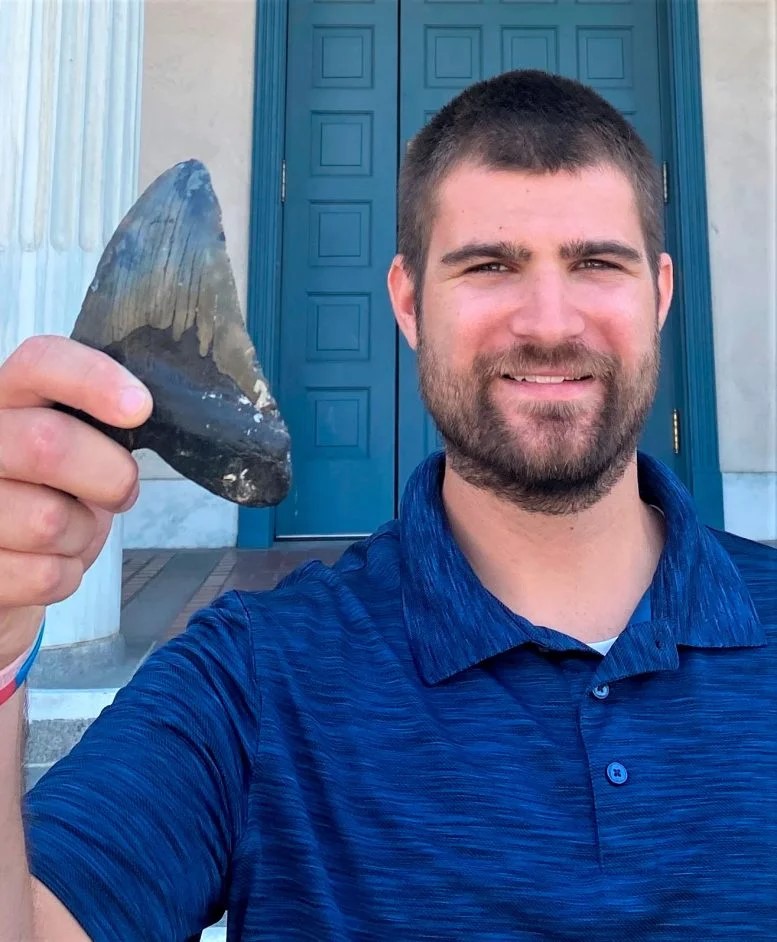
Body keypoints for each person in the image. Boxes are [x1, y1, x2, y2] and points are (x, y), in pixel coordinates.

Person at [1, 69, 775, 941]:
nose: (550, 323)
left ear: (660, 294)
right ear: (408, 303)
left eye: (596, 263)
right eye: (489, 265)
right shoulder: (253, 678)